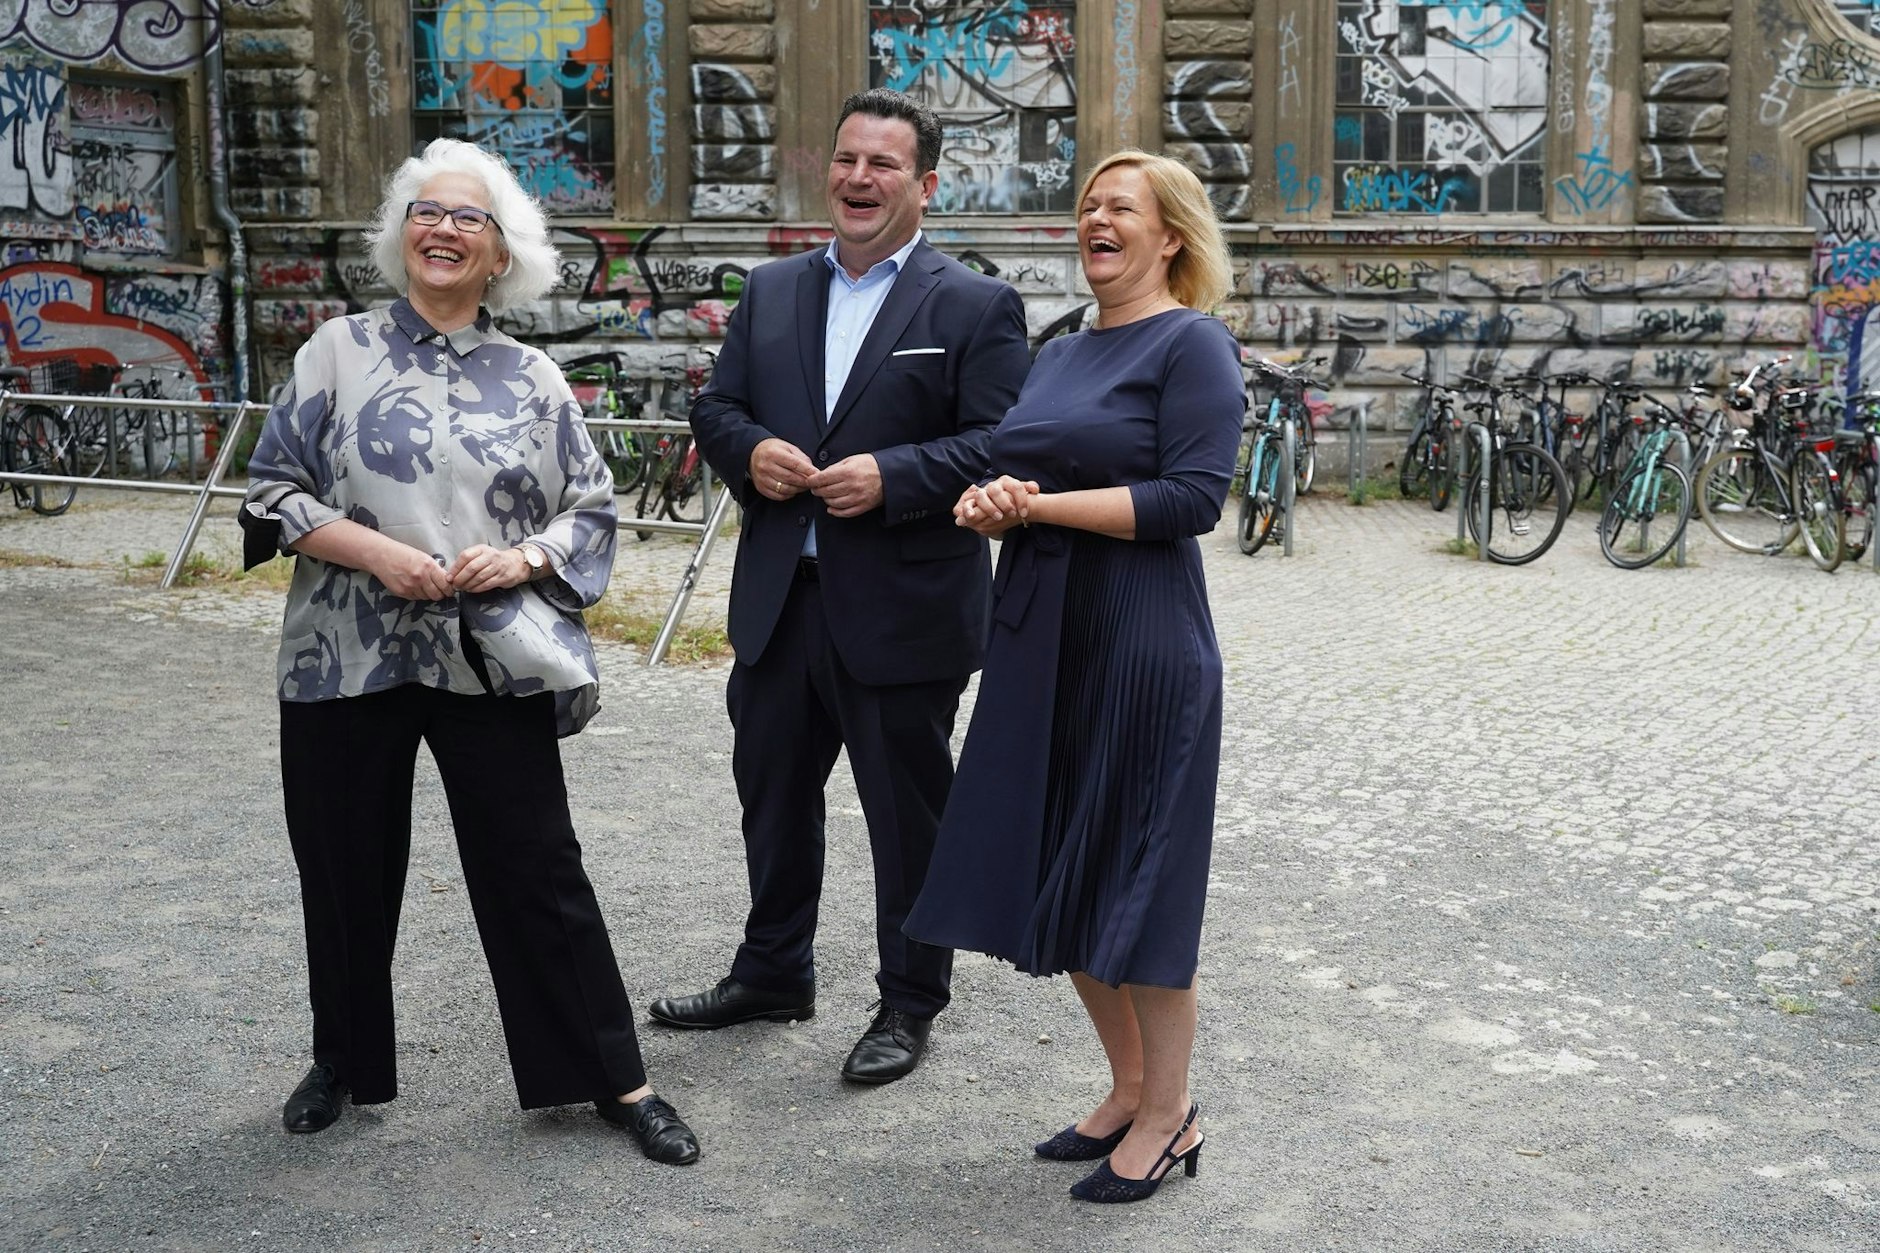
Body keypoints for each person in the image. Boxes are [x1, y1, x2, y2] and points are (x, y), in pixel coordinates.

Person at [240, 138, 698, 1164]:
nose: (443, 229)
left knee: (539, 866)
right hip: (343, 653)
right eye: (426, 212)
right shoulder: (334, 351)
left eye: (468, 219)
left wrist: (524, 556)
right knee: (343, 866)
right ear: (402, 235)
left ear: (502, 255)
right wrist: (379, 555)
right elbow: (272, 492)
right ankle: (341, 1060)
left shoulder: (533, 378)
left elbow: (588, 509)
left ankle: (614, 1078)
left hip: (489, 659)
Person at [660, 88, 1031, 1084]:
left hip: (902, 607)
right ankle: (773, 969)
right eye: (848, 159)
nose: (859, 179)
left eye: (884, 165)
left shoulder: (973, 303)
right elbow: (717, 406)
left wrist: (896, 475)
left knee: (906, 815)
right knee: (771, 795)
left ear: (925, 184)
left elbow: (1002, 440)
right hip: (781, 598)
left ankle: (910, 1000)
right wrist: (755, 453)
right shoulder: (772, 288)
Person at [903, 151, 1243, 1203]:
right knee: (1059, 862)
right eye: (1086, 204)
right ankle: (1128, 1085)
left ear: (1169, 237)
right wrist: (985, 501)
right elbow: (1021, 465)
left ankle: (1171, 1112)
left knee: (1139, 880)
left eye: (1119, 207)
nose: (1093, 217)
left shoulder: (1192, 346)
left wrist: (1035, 508)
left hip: (1140, 639)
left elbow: (1190, 498)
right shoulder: (1059, 351)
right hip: (1041, 630)